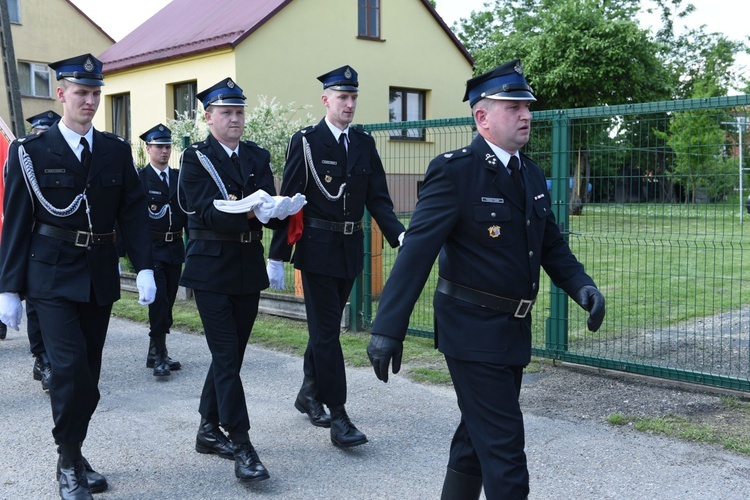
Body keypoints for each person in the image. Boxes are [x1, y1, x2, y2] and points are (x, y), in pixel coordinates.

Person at [365, 60, 606, 500]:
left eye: (527, 107)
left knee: (475, 438)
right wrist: (386, 329)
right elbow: (416, 253)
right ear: (482, 117)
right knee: (505, 450)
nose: (526, 115)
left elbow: (550, 243)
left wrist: (581, 285)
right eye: (513, 107)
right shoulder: (454, 172)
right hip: (471, 331)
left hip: (512, 332)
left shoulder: (530, 173)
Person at [0, 54, 156, 499]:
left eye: (95, 93)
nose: (89, 100)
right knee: (68, 370)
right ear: (61, 93)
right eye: (81, 92)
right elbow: (16, 221)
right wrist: (8, 288)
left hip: (98, 271)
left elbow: (132, 210)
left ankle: (74, 448)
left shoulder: (114, 150)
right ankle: (68, 464)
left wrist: (144, 265)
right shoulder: (30, 152)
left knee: (89, 374)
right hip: (48, 275)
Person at [267, 65, 405, 448]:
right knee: (328, 334)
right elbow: (290, 199)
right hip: (316, 250)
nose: (349, 104)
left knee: (323, 328)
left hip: (349, 250)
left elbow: (378, 198)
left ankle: (308, 393)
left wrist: (400, 236)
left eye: (353, 97)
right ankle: (339, 415)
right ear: (326, 100)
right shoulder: (307, 142)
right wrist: (278, 255)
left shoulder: (363, 142)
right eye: (342, 97)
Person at [179, 77, 303, 483]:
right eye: (226, 112)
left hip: (247, 268)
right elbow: (202, 212)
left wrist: (276, 209)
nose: (235, 119)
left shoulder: (256, 154)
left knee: (229, 357)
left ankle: (206, 429)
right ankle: (243, 444)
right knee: (228, 358)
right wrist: (251, 210)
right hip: (211, 268)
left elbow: (266, 200)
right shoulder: (195, 158)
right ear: (208, 116)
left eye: (239, 112)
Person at [137, 123, 187, 377]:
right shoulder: (140, 179)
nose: (164, 151)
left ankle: (154, 350)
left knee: (167, 304)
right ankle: (160, 354)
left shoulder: (179, 178)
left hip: (174, 247)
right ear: (148, 149)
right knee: (158, 303)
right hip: (152, 248)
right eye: (159, 147)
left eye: (167, 146)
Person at [24, 110, 63, 391]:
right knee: (35, 306)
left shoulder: (62, 165)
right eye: (39, 134)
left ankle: (53, 357)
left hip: (58, 247)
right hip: (30, 244)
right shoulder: (21, 162)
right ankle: (43, 357)